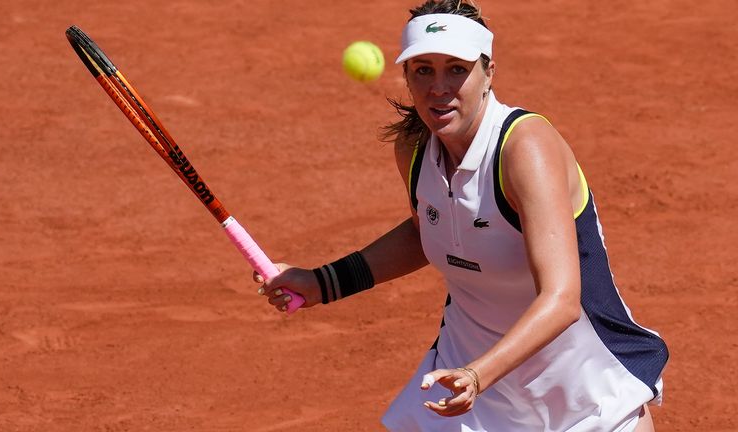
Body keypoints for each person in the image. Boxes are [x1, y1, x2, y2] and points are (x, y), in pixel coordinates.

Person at [254, 1, 669, 430]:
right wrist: (323, 282)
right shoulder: (415, 149)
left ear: (488, 73)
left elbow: (561, 299)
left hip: (585, 390)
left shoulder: (523, 147)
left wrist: (478, 374)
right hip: (469, 392)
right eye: (423, 70)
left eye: (457, 69)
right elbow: (428, 230)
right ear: (407, 78)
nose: (439, 87)